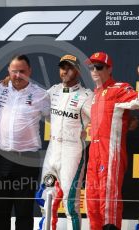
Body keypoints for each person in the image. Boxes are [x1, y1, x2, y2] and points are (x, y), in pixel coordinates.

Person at [85, 51, 139, 230]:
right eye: (91, 67)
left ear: (109, 69)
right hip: (94, 155)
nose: (94, 71)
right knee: (91, 204)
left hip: (111, 154)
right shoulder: (94, 94)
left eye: (99, 67)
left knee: (109, 204)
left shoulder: (119, 88)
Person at [0, 54, 50, 230]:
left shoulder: (41, 95)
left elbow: (58, 119)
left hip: (27, 160)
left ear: (29, 71)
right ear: (8, 70)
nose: (17, 75)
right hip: (1, 158)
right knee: (0, 212)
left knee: (24, 213)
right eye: (14, 71)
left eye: (22, 71)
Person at [36, 54, 93, 230]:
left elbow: (102, 120)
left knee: (70, 205)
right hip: (53, 148)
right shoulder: (52, 91)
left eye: (70, 67)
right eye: (63, 67)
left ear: (78, 70)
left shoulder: (87, 95)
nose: (65, 71)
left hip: (72, 150)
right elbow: (33, 107)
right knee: (46, 202)